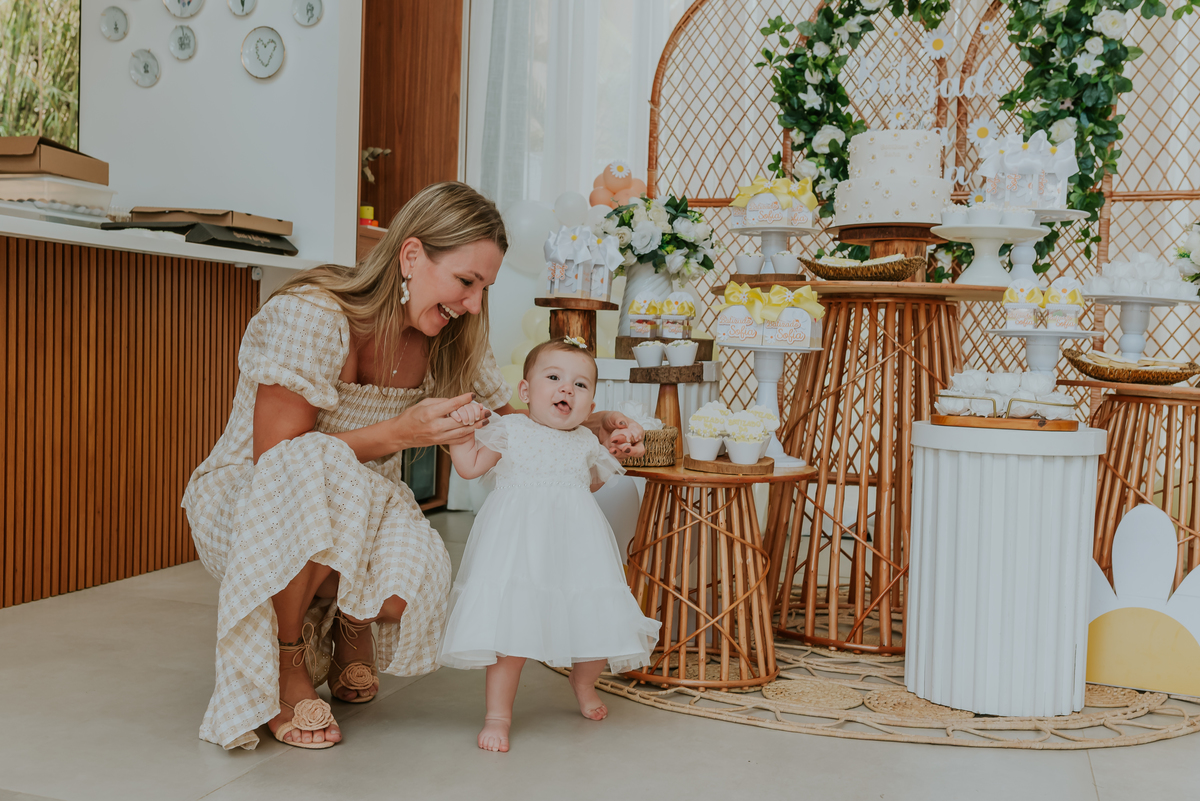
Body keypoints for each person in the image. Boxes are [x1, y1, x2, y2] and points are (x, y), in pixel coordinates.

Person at [182, 182, 644, 750]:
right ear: (411, 256)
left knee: (419, 580)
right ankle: (286, 662)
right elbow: (277, 462)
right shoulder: (310, 316)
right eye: (466, 282)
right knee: (308, 474)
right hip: (263, 499)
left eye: (485, 289)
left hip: (368, 498)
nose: (474, 304)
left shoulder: (451, 337)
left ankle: (348, 625)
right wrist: (402, 431)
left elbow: (518, 418)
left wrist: (590, 423)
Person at [436, 338, 661, 753]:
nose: (566, 390)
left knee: (596, 620)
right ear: (525, 392)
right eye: (554, 378)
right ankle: (497, 716)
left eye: (580, 385)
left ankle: (584, 679)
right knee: (511, 636)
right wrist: (461, 429)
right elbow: (468, 467)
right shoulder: (510, 430)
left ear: (591, 402)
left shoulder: (584, 441)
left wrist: (616, 449)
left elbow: (588, 484)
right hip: (519, 549)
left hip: (577, 546)